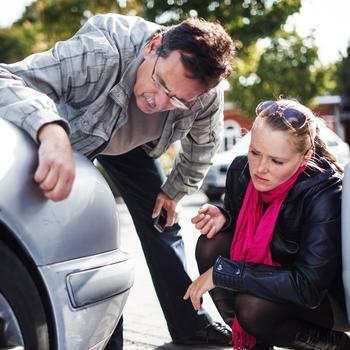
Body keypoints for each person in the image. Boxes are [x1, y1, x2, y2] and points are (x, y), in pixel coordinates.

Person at [0, 13, 236, 348]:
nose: (159, 103)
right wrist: (48, 128)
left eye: (177, 100)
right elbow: (6, 77)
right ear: (153, 47)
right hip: (77, 135)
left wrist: (175, 191)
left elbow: (203, 147)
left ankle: (191, 322)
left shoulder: (205, 96)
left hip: (135, 145)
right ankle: (106, 337)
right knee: (88, 234)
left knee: (162, 223)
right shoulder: (99, 54)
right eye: (161, 84)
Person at [184, 98, 350, 350]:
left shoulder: (323, 192)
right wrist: (226, 218)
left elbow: (308, 287)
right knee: (211, 244)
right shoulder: (241, 171)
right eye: (255, 152)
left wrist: (224, 274)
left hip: (322, 300)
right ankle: (252, 344)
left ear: (304, 157)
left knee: (253, 306)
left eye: (277, 161)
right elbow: (248, 233)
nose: (260, 169)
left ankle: (334, 345)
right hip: (269, 281)